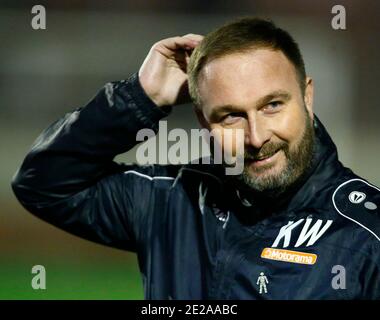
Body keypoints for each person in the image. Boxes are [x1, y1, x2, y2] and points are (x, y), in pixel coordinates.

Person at [11, 17, 380, 299]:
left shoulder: (367, 235)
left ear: (307, 97)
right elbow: (43, 184)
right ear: (204, 121)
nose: (256, 137)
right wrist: (140, 98)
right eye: (231, 115)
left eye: (272, 105)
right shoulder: (172, 197)